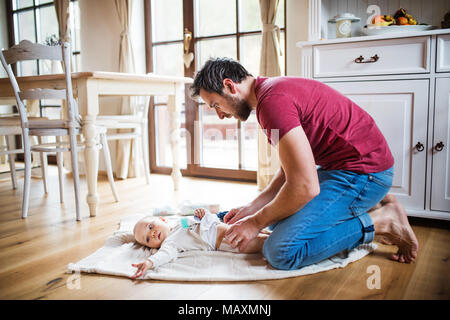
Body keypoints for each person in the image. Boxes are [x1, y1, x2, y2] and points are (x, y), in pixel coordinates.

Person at [189, 57, 419, 270]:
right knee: (275, 224)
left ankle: (382, 221)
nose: (220, 115)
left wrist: (255, 223)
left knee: (280, 250)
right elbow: (289, 171)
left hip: (364, 173)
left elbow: (305, 187)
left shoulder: (272, 104)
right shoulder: (269, 94)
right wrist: (254, 208)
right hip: (345, 167)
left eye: (216, 105)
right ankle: (369, 204)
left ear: (230, 86)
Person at [131, 208, 269, 279]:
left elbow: (199, 221)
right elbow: (164, 255)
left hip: (223, 226)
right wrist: (149, 262)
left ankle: (281, 234)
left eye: (150, 227)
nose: (152, 234)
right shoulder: (169, 244)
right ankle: (281, 245)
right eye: (148, 239)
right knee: (262, 243)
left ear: (162, 220)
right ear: (151, 247)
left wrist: (203, 214)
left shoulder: (180, 222)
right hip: (225, 241)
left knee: (262, 231)